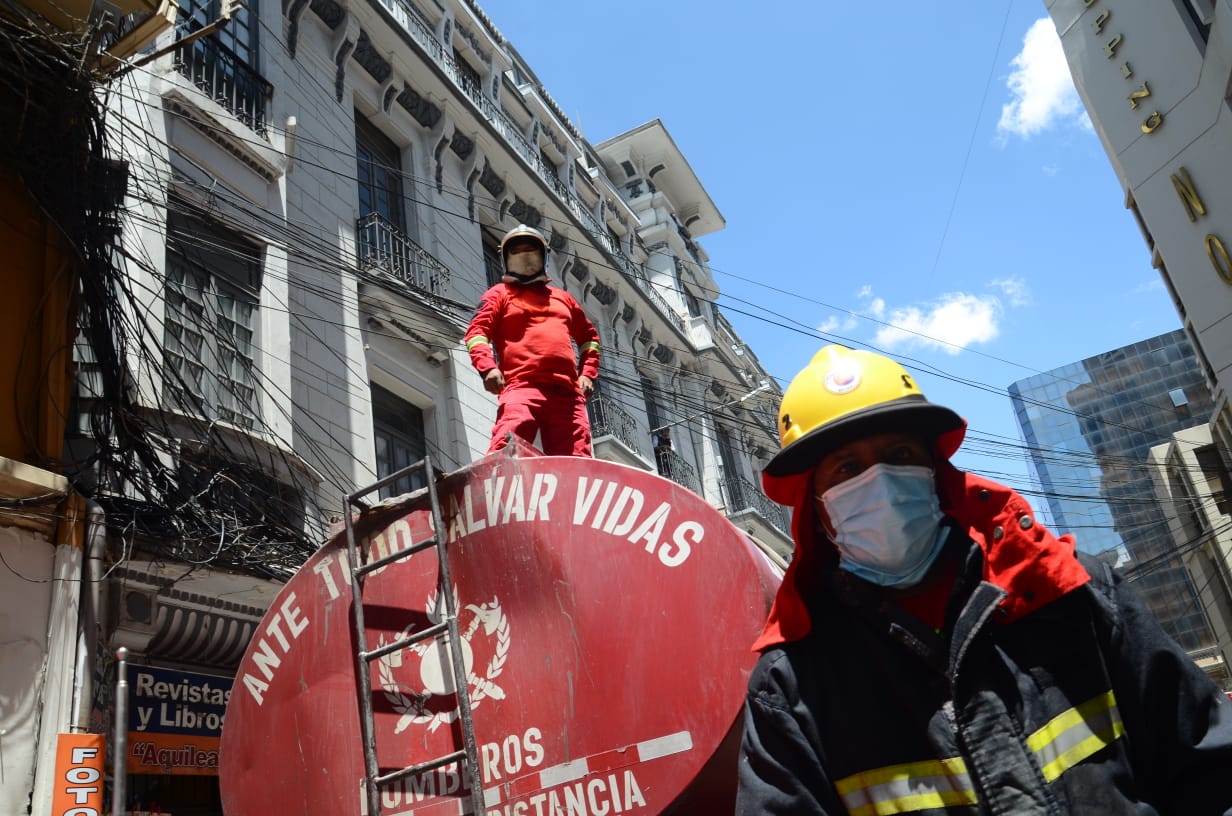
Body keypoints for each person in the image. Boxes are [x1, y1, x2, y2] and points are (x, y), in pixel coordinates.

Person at [736, 345, 1232, 815]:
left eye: (900, 455)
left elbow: (1212, 772)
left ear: (937, 472)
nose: (880, 483)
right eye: (847, 468)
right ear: (816, 508)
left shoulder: (1073, 592)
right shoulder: (792, 686)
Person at [465, 224, 600, 457]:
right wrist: (487, 369)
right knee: (508, 444)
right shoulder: (499, 294)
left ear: (543, 256)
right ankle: (497, 487)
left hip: (568, 394)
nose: (524, 256)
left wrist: (587, 373)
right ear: (506, 258)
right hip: (522, 385)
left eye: (530, 249)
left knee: (577, 460)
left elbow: (590, 339)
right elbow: (477, 332)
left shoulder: (563, 299)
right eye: (517, 251)